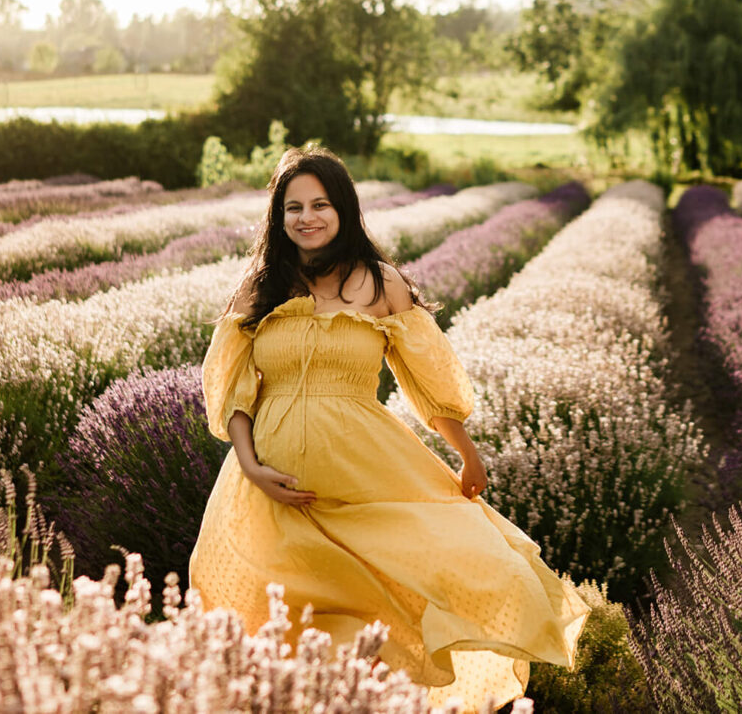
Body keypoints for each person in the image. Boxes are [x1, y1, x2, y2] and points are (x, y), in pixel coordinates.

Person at [188, 146, 588, 710]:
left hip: (367, 476)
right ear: (279, 218)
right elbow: (235, 391)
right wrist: (251, 466)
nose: (307, 217)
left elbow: (426, 381)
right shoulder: (259, 290)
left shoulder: (380, 285)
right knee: (288, 623)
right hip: (272, 491)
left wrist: (467, 454)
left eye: (320, 204)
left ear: (344, 210)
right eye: (293, 206)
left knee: (402, 602)